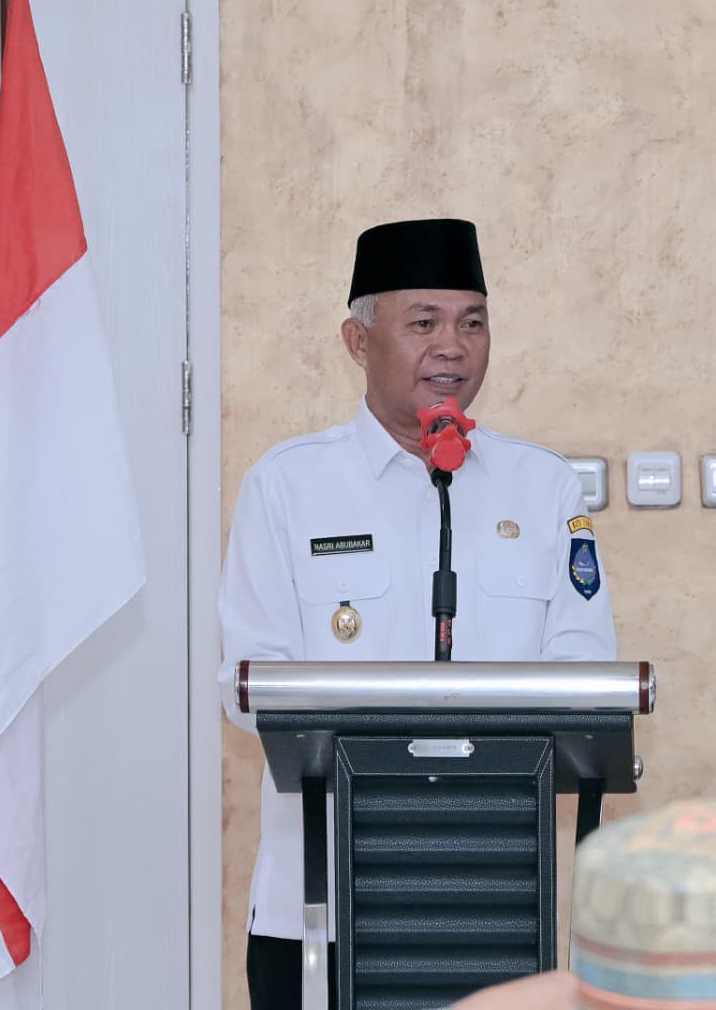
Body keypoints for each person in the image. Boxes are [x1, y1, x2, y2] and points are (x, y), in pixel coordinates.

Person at [219, 218, 617, 1010]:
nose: (452, 348)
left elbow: (583, 675)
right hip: (320, 902)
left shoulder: (542, 487)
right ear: (357, 341)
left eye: (472, 323)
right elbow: (247, 687)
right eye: (423, 323)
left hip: (496, 897)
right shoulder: (287, 486)